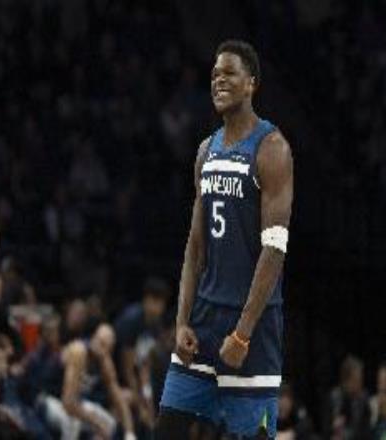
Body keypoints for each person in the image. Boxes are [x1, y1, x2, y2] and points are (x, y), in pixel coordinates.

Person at [156, 39, 294, 439]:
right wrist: (181, 321)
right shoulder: (206, 151)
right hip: (204, 319)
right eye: (215, 74)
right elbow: (195, 247)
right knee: (167, 430)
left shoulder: (272, 148)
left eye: (230, 73)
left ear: (251, 83)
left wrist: (243, 332)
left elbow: (275, 249)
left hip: (252, 325)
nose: (219, 80)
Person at [44, 323, 136, 440]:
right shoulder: (78, 351)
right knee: (74, 422)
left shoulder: (105, 362)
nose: (100, 348)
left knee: (109, 424)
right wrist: (96, 422)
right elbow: (68, 402)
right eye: (99, 342)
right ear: (93, 338)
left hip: (75, 402)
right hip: (49, 399)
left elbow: (118, 398)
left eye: (105, 347)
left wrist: (130, 433)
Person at [114, 276, 171, 429]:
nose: (158, 307)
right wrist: (140, 405)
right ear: (146, 300)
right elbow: (127, 368)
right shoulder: (131, 321)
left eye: (161, 303)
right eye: (155, 301)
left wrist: (148, 405)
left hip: (137, 374)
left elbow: (144, 366)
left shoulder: (156, 325)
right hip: (116, 376)